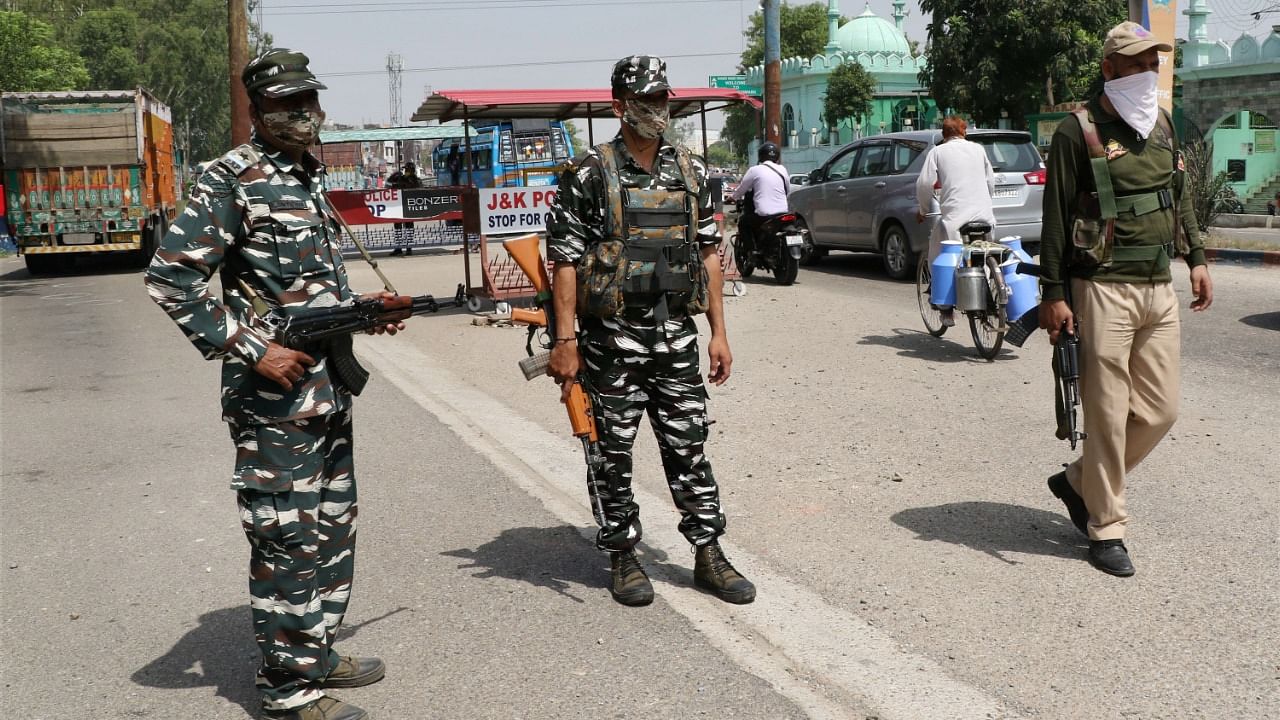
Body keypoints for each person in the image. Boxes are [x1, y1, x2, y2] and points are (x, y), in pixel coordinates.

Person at [145, 48, 402, 720]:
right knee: (287, 537)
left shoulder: (305, 176)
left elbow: (305, 291)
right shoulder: (231, 179)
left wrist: (367, 316)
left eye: (310, 102)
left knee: (332, 529)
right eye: (290, 106)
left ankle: (314, 652)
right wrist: (250, 348)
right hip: (274, 402)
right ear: (258, 111)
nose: (306, 115)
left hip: (326, 392)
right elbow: (170, 278)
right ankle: (289, 693)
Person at [546, 55, 756, 607]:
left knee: (690, 446)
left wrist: (719, 332)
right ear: (619, 107)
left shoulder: (690, 169)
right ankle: (623, 555)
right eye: (645, 103)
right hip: (610, 341)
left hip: (674, 336)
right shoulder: (590, 173)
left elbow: (708, 254)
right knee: (612, 452)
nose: (657, 112)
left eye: (662, 101)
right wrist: (564, 343)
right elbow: (564, 262)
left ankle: (708, 552)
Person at [1037, 22, 1213, 577]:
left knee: (1161, 410)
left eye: (1152, 63)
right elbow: (1056, 219)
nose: (1146, 72)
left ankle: (1075, 481)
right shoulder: (1077, 131)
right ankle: (1105, 526)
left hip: (1158, 286)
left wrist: (1199, 256)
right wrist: (1054, 293)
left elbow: (1178, 196)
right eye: (1135, 63)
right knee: (1108, 415)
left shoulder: (1160, 124)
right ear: (1109, 68)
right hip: (1101, 288)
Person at [915, 115, 997, 326]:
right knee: (984, 252)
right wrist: (986, 201)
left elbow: (924, 184)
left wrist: (923, 209)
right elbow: (990, 181)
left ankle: (946, 309)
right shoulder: (978, 149)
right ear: (964, 131)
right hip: (985, 216)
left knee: (939, 252)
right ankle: (992, 289)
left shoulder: (938, 151)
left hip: (955, 220)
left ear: (944, 135)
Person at [731, 142, 790, 255]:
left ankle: (752, 251)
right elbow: (787, 190)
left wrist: (733, 198)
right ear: (777, 156)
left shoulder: (755, 170)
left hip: (764, 214)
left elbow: (741, 189)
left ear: (760, 156)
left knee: (743, 222)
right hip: (783, 212)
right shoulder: (783, 169)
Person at [385, 161, 422, 256]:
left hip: (409, 207)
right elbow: (388, 185)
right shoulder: (399, 178)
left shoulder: (416, 180)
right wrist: (395, 177)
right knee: (397, 227)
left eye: (408, 169)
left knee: (409, 227)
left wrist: (404, 182)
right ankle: (398, 248)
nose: (406, 171)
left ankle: (409, 248)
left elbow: (417, 189)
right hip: (398, 207)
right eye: (405, 169)